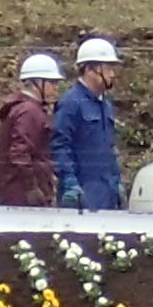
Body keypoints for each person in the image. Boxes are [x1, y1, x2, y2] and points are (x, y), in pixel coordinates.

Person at [51, 34, 126, 212]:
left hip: (106, 194)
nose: (112, 74)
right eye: (108, 68)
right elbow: (60, 145)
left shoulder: (105, 105)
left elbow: (108, 148)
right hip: (82, 194)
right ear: (91, 68)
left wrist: (116, 181)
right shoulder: (71, 103)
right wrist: (69, 182)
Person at [0, 52, 63, 211]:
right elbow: (19, 152)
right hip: (22, 197)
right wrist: (31, 187)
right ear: (37, 83)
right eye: (52, 82)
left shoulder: (24, 108)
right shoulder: (29, 111)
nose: (55, 88)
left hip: (15, 192)